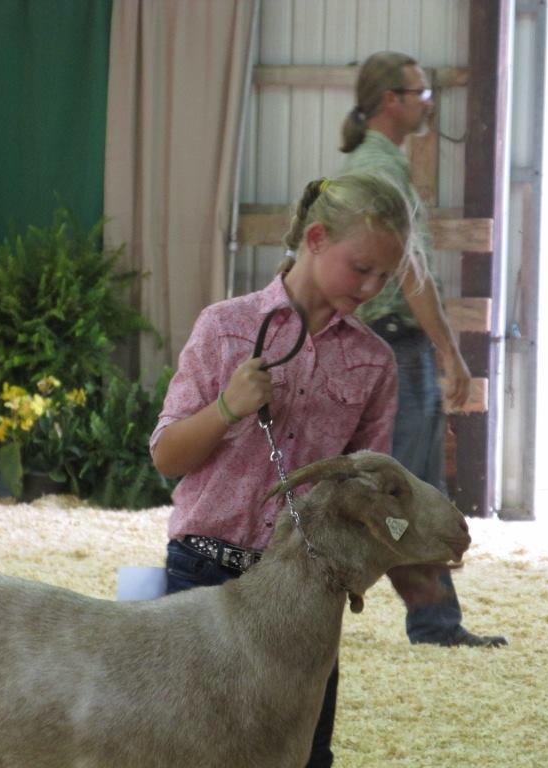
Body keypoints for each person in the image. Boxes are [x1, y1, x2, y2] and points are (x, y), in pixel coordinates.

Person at [151, 173, 413, 768]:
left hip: (304, 590)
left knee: (302, 753)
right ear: (316, 239)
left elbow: (374, 496)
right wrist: (227, 408)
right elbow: (167, 457)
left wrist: (397, 544)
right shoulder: (225, 327)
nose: (372, 288)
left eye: (385, 277)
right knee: (188, 751)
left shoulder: (374, 361)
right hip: (202, 573)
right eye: (361, 268)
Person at [340, 51, 505, 647]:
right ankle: (433, 622)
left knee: (396, 485)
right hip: (393, 342)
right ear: (392, 101)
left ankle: (431, 619)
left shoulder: (372, 165)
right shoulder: (382, 171)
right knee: (410, 490)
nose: (428, 102)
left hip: (376, 338)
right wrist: (450, 352)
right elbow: (411, 274)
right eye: (421, 93)